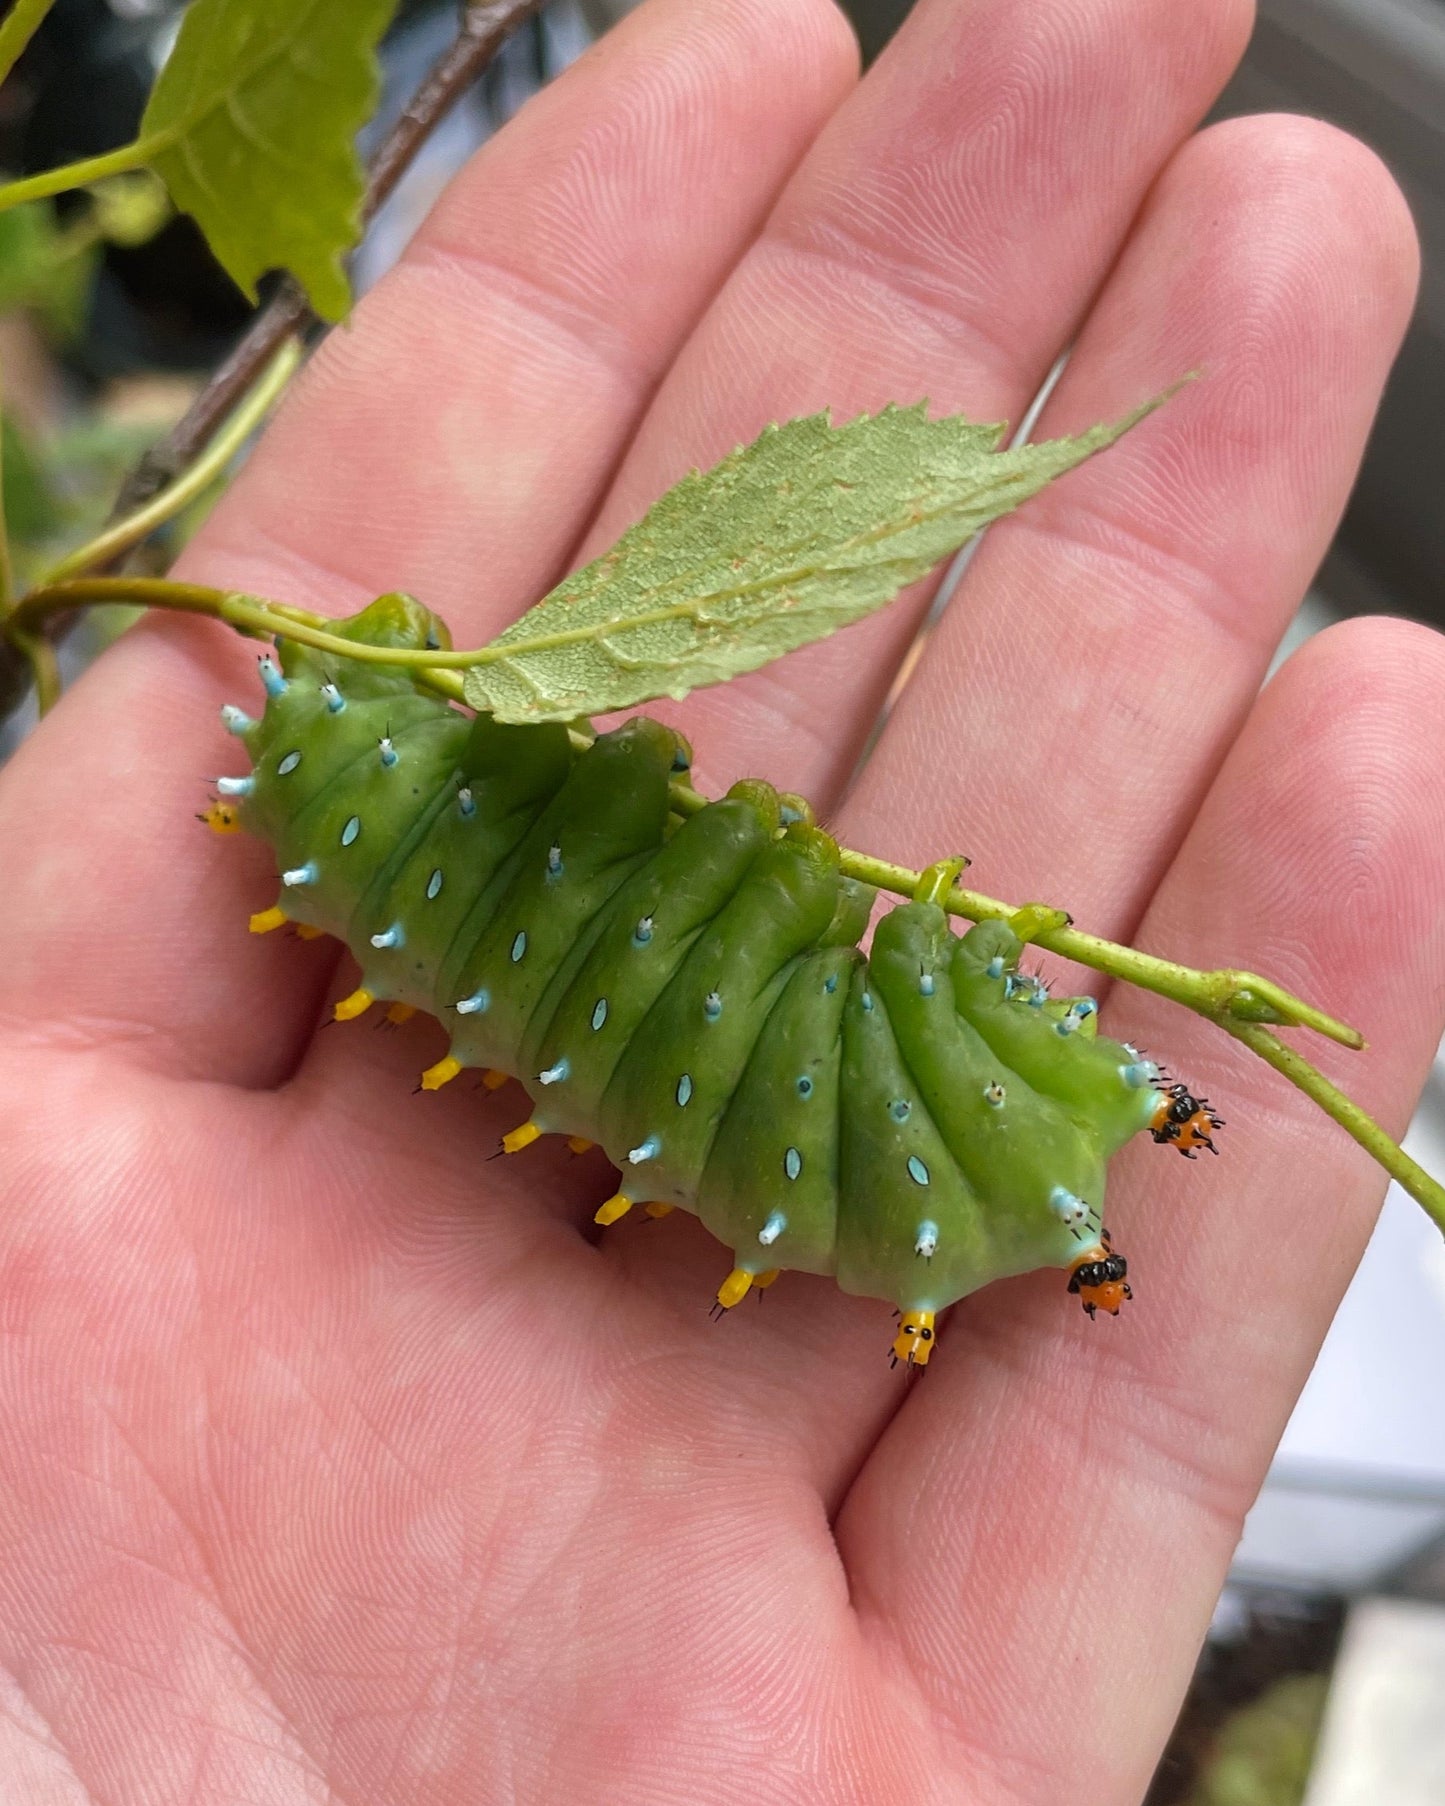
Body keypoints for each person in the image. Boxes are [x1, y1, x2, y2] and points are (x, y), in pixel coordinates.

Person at [1, 0, 1440, 1797]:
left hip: (561, 913)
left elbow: (748, 904)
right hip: (582, 925)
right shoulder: (748, 968)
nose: (1007, 966)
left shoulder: (635, 913)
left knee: (659, 982)